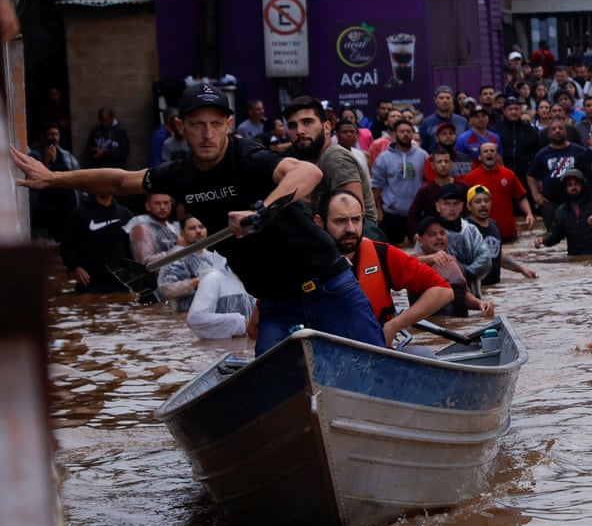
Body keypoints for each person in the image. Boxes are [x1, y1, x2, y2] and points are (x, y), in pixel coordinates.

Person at [15, 82, 381, 354]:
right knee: (276, 391)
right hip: (276, 303)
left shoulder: (249, 157)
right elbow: (119, 180)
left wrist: (262, 212)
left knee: (375, 369)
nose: (207, 134)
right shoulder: (178, 175)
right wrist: (53, 179)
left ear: (228, 124)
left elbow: (306, 174)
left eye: (215, 124)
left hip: (330, 286)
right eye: (196, 124)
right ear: (179, 127)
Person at [321, 191, 453, 347]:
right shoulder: (301, 262)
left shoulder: (382, 254)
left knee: (422, 354)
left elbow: (443, 291)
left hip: (375, 352)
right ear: (320, 222)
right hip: (325, 350)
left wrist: (394, 325)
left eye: (356, 220)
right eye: (340, 221)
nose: (350, 228)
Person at [285, 96, 379, 229]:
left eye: (307, 122)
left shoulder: (334, 158)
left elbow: (352, 218)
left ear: (327, 127)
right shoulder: (315, 162)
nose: (299, 131)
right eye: (292, 125)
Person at [60, 189, 134, 294]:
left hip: (120, 282)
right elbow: (66, 246)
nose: (105, 187)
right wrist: (75, 267)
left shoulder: (125, 214)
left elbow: (132, 247)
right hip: (90, 282)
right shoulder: (79, 213)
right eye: (101, 183)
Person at [464, 186, 538, 288]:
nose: (483, 205)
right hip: (476, 289)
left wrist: (521, 269)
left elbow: (498, 256)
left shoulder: (493, 224)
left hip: (494, 287)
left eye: (486, 200)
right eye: (477, 202)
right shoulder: (465, 228)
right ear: (469, 206)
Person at [460, 142, 532, 241]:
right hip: (481, 232)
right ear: (480, 157)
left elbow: (520, 197)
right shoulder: (470, 178)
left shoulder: (509, 174)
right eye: (485, 151)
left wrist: (529, 214)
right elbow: (465, 204)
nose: (489, 153)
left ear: (498, 156)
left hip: (507, 230)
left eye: (492, 151)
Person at [369, 120, 427, 244]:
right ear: (395, 134)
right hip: (392, 214)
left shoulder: (422, 155)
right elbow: (377, 185)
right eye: (402, 131)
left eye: (408, 131)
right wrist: (378, 209)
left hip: (417, 214)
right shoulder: (383, 158)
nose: (405, 134)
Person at [540, 166, 592, 256]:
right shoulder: (561, 211)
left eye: (576, 184)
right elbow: (555, 235)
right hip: (575, 258)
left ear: (583, 185)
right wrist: (543, 240)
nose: (573, 187)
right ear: (565, 188)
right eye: (569, 184)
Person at [156, 215, 224, 312]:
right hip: (186, 316)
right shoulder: (175, 258)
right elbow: (166, 290)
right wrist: (196, 281)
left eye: (201, 227)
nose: (198, 231)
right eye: (192, 228)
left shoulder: (216, 258)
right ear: (182, 233)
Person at [125, 190, 179, 266]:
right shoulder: (142, 227)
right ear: (148, 206)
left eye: (166, 203)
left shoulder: (174, 227)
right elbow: (146, 262)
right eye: (157, 203)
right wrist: (176, 250)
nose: (162, 207)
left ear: (171, 205)